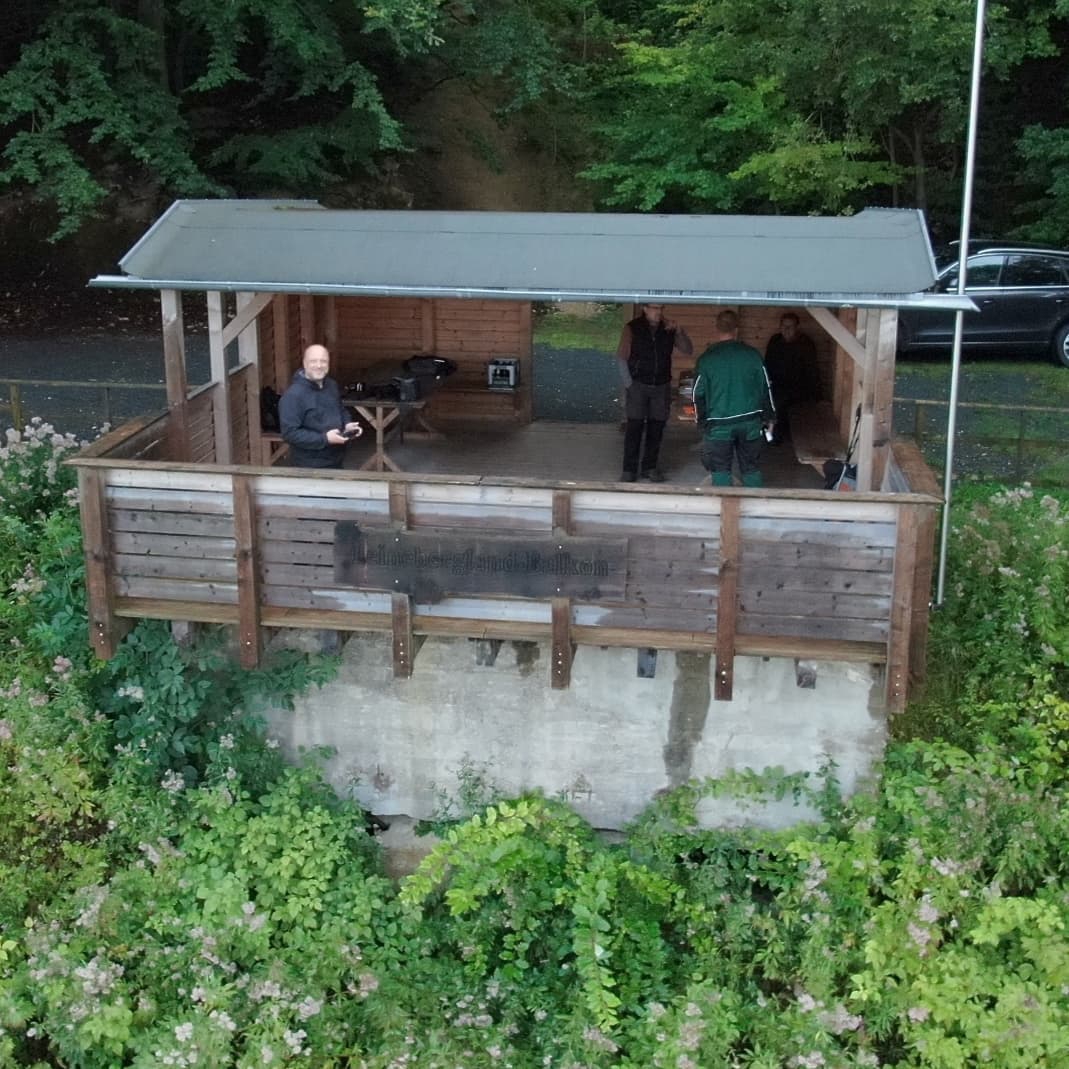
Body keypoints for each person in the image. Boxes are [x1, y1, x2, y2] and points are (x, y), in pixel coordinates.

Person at [693, 310, 775, 487]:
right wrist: (770, 417)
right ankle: (755, 502)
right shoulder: (753, 355)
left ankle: (723, 502)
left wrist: (701, 421)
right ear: (737, 329)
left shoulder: (706, 359)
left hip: (719, 424)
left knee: (720, 469)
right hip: (750, 423)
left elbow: (697, 394)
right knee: (751, 468)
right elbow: (766, 388)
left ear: (717, 329)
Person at [616, 303, 692, 482]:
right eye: (655, 308)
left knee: (656, 428)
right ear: (645, 308)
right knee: (634, 427)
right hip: (638, 384)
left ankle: (650, 467)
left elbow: (688, 350)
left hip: (661, 385)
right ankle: (629, 469)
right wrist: (629, 384)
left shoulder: (669, 328)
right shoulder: (632, 328)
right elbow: (621, 357)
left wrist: (679, 331)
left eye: (661, 308)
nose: (658, 312)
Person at [279, 343, 363, 469]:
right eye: (313, 361)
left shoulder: (331, 385)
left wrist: (347, 425)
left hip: (336, 459)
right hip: (308, 465)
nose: (319, 366)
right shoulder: (293, 396)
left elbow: (341, 409)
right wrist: (325, 439)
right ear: (304, 363)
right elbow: (289, 434)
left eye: (323, 361)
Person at [763, 311, 818, 445]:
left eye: (790, 326)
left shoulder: (805, 344)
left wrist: (816, 395)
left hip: (799, 388)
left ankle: (776, 436)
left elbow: (812, 372)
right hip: (777, 385)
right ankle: (770, 435)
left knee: (781, 402)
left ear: (797, 328)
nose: (786, 330)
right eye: (784, 326)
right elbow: (767, 365)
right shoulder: (775, 341)